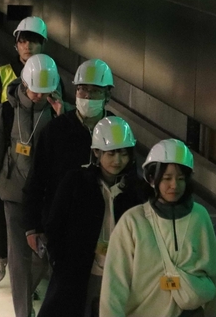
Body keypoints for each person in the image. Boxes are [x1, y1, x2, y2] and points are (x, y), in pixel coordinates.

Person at [0, 16, 63, 284]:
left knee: (34, 223)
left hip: (39, 168)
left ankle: (26, 277)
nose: (27, 46)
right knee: (1, 218)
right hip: (7, 158)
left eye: (33, 41)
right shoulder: (3, 74)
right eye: (23, 41)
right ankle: (2, 256)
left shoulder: (54, 82)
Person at [100, 139, 216, 317]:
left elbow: (215, 275)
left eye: (181, 178)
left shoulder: (199, 216)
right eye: (167, 178)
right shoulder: (133, 222)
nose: (174, 185)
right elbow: (115, 285)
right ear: (152, 178)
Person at [38, 117, 148, 317]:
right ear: (97, 152)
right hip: (78, 272)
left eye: (123, 153)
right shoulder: (75, 182)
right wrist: (59, 261)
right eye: (111, 153)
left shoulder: (137, 191)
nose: (117, 160)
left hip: (121, 274)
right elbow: (55, 225)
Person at [23, 59, 113, 257]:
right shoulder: (56, 129)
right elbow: (37, 179)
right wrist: (32, 226)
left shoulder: (116, 130)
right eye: (83, 90)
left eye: (95, 91)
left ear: (108, 94)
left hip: (105, 226)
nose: (88, 96)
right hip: (61, 224)